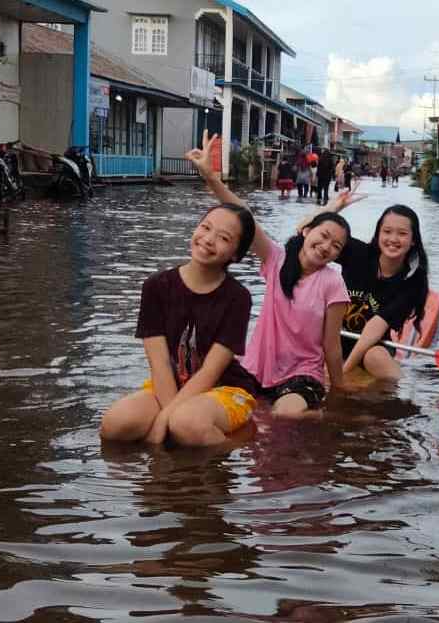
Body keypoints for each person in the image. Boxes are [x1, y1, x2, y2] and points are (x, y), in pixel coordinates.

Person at [190, 130, 352, 415]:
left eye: (336, 246)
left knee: (284, 415)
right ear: (306, 230)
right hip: (256, 370)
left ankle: (317, 416)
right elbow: (243, 216)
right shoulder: (277, 258)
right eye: (324, 236)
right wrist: (211, 177)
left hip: (302, 375)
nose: (327, 247)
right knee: (202, 401)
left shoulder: (332, 282)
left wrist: (339, 394)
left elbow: (331, 344)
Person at [99, 204, 260, 447]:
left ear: (235, 254)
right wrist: (167, 416)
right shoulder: (156, 286)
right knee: (115, 426)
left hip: (225, 388)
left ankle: (239, 440)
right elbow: (160, 363)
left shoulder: (238, 298)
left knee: (185, 425)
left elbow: (210, 372)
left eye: (223, 237)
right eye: (206, 227)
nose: (208, 239)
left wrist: (165, 419)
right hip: (172, 382)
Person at [302, 191, 430, 381]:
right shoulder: (358, 253)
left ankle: (399, 398)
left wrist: (342, 373)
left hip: (371, 344)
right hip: (334, 336)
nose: (393, 239)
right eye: (387, 232)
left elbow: (374, 328)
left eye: (402, 234)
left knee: (375, 356)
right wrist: (333, 209)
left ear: (413, 240)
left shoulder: (413, 280)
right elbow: (305, 233)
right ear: (378, 234)